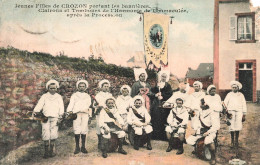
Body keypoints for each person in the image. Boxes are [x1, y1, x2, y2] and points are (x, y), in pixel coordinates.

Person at [33, 79, 64, 158]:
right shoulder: (44, 96)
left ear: (56, 88)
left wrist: (60, 116)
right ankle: (46, 151)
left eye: (54, 88)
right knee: (45, 133)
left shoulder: (58, 97)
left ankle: (52, 150)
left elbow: (61, 107)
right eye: (51, 88)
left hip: (55, 117)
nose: (53, 90)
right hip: (45, 118)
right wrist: (36, 111)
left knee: (53, 133)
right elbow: (39, 105)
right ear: (48, 88)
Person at [186, 98, 220, 165]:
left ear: (205, 104)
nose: (199, 105)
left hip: (210, 131)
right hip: (201, 131)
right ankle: (197, 149)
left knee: (208, 141)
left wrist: (208, 132)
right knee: (189, 140)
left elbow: (216, 126)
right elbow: (197, 122)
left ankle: (213, 157)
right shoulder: (200, 111)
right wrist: (195, 130)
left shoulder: (212, 112)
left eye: (201, 103)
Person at [67, 80, 92, 154]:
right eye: (80, 86)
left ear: (85, 87)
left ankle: (83, 147)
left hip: (85, 114)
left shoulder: (87, 96)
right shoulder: (74, 95)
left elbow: (89, 106)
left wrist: (90, 116)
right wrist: (69, 112)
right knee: (77, 129)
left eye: (83, 86)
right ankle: (77, 147)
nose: (82, 88)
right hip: (76, 114)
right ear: (78, 87)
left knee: (84, 129)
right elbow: (71, 104)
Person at [150, 70, 173, 140]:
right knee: (156, 119)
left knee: (163, 119)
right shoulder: (157, 84)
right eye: (162, 76)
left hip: (164, 105)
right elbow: (151, 93)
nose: (163, 78)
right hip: (156, 104)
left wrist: (162, 95)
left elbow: (170, 94)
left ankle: (163, 136)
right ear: (160, 77)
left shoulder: (167, 85)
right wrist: (156, 95)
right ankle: (155, 136)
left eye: (165, 77)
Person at [224, 81, 247, 148]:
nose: (234, 88)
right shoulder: (229, 94)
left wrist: (244, 114)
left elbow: (244, 104)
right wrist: (226, 112)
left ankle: (236, 141)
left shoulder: (241, 95)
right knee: (231, 126)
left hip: (239, 111)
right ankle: (232, 141)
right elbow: (225, 103)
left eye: (235, 87)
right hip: (231, 112)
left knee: (238, 125)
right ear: (231, 88)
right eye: (233, 87)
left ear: (238, 88)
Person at [95, 79, 113, 150]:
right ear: (101, 87)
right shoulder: (98, 95)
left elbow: (113, 103)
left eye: (107, 86)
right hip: (100, 112)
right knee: (99, 126)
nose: (106, 87)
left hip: (108, 113)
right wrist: (98, 106)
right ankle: (100, 142)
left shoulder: (110, 95)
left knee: (108, 126)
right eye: (104, 86)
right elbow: (94, 105)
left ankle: (108, 142)